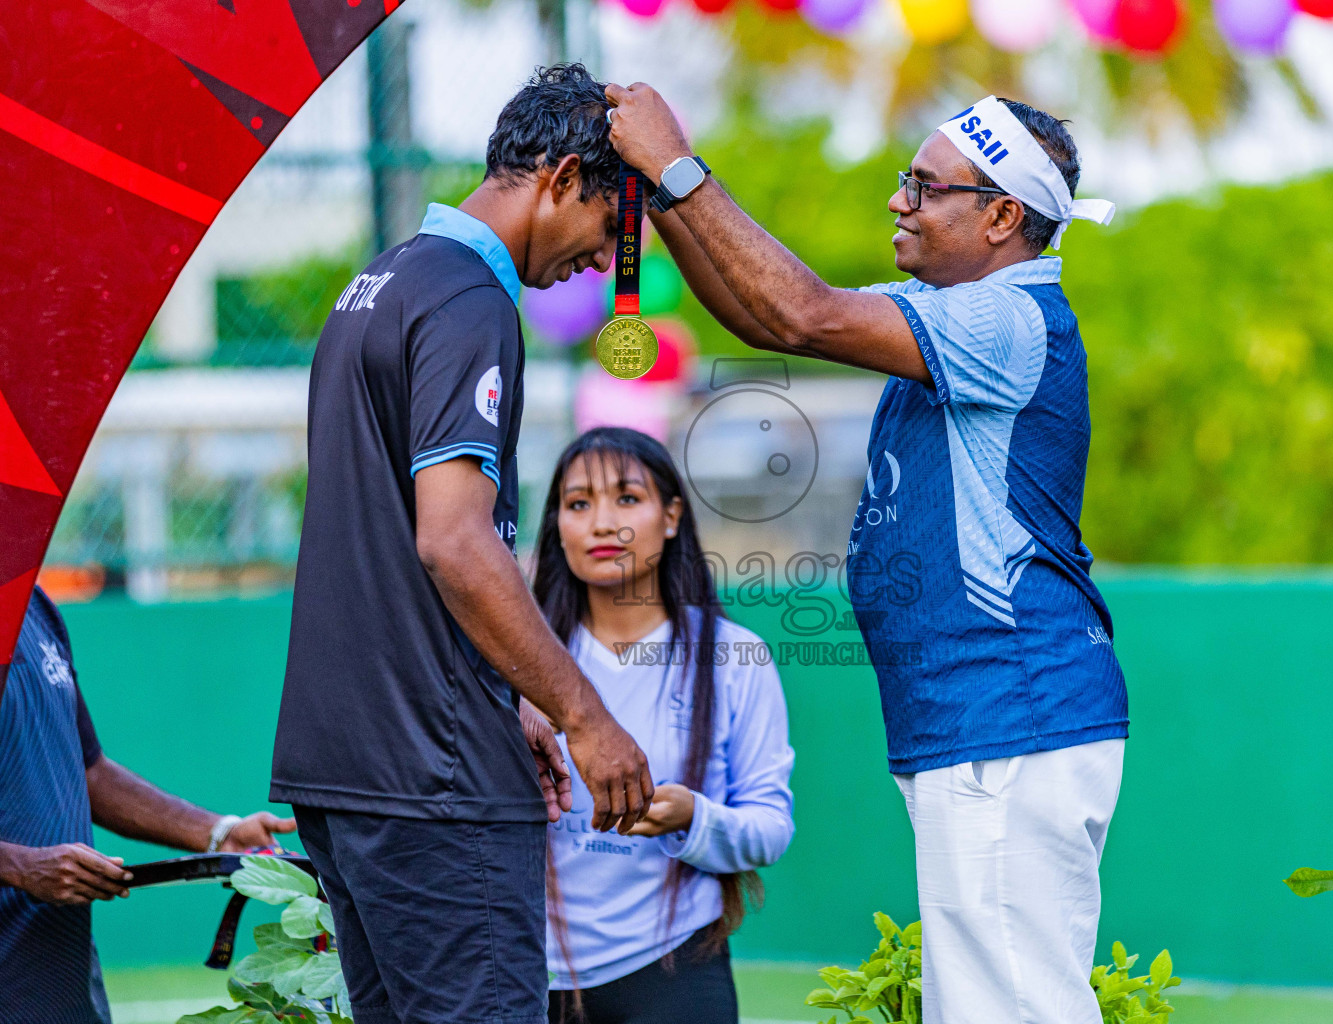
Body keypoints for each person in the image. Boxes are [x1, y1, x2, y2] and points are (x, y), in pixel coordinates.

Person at [603, 88, 1128, 1024]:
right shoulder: (947, 304)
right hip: (981, 719)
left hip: (1009, 710)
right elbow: (762, 316)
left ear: (1003, 217)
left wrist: (679, 166)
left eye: (925, 187)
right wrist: (657, 180)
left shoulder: (1005, 318)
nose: (900, 203)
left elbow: (801, 314)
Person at [269, 65, 653, 1024]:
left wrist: (502, 693)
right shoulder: (469, 301)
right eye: (609, 231)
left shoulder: (384, 278)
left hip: (347, 768)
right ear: (563, 177)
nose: (603, 266)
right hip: (429, 779)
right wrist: (581, 713)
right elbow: (451, 540)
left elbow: (399, 546)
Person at [532, 427, 794, 1024]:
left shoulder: (733, 657)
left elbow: (770, 827)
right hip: (527, 969)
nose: (602, 523)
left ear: (671, 515)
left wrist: (693, 819)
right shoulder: (520, 658)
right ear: (558, 527)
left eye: (627, 498)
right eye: (578, 503)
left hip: (675, 965)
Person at [0, 586, 293, 1024]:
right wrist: (20, 866)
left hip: (57, 959)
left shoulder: (35, 606)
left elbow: (88, 770)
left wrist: (217, 833)